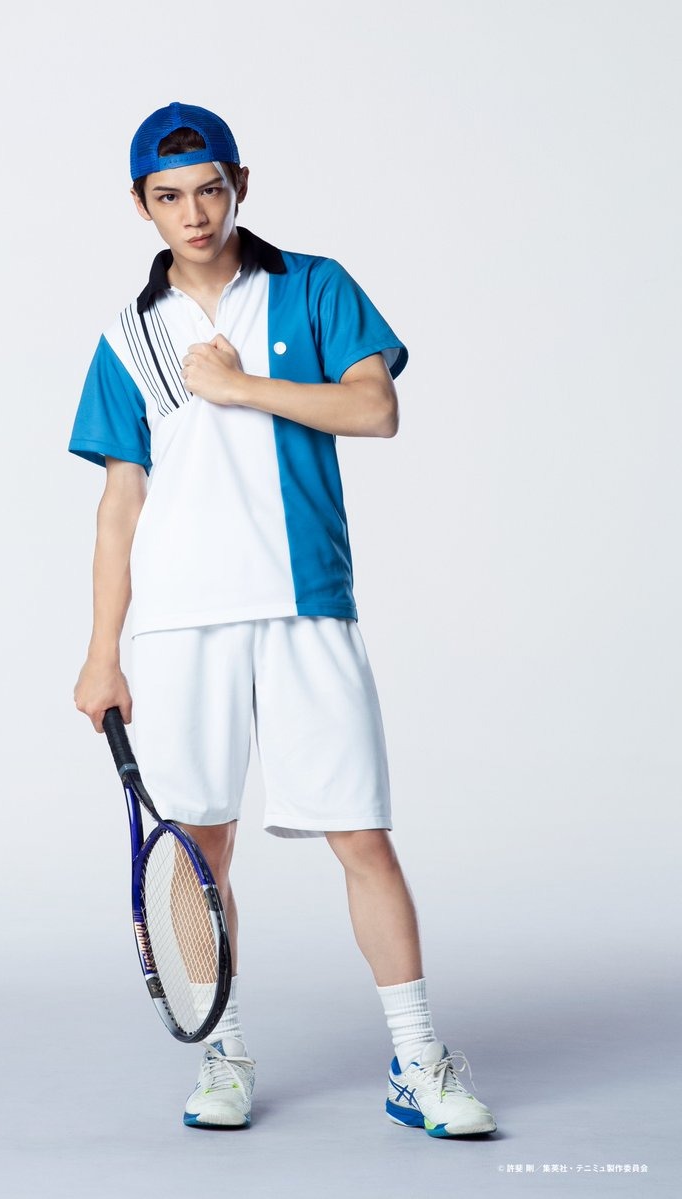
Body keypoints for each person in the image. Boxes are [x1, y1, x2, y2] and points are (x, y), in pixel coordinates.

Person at [69, 101, 496, 1138]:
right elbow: (122, 499)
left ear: (240, 185)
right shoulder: (128, 336)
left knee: (361, 835)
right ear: (141, 206)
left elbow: (375, 409)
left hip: (305, 601)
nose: (194, 213)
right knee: (197, 847)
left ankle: (418, 1060)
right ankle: (223, 1053)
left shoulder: (313, 286)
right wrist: (100, 652)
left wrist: (239, 386)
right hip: (181, 619)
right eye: (169, 197)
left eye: (209, 190)